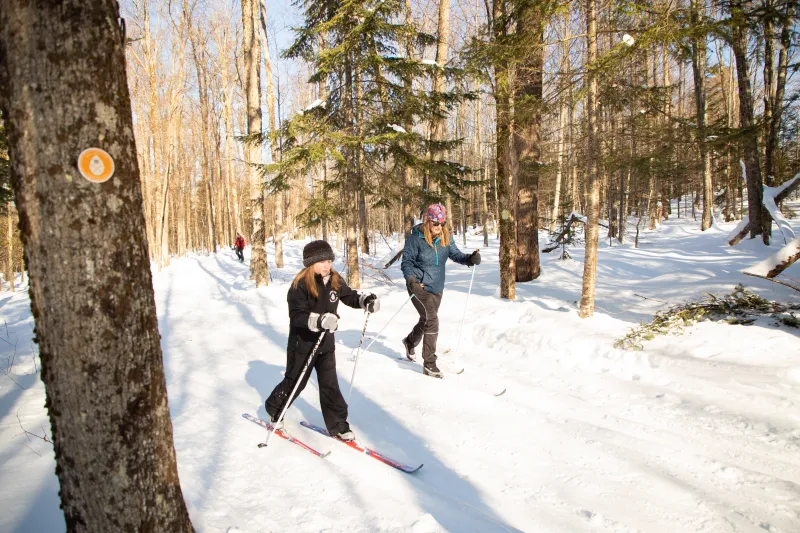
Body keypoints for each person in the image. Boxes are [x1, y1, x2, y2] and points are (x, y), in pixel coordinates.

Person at [265, 240, 380, 441]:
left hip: (326, 344)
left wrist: (364, 301)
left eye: (329, 261)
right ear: (310, 263)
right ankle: (275, 408)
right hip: (303, 344)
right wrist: (318, 320)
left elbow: (349, 296)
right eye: (321, 262)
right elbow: (297, 316)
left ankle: (338, 425)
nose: (326, 266)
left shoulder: (334, 279)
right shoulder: (300, 285)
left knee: (330, 385)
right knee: (296, 382)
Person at [400, 204, 480, 378]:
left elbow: (456, 254)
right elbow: (406, 262)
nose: (439, 227)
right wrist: (411, 280)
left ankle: (409, 341)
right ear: (428, 221)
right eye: (436, 223)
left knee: (427, 319)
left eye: (442, 223)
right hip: (418, 285)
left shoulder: (445, 237)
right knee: (432, 320)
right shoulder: (416, 238)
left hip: (437, 287)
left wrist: (470, 259)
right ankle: (429, 363)